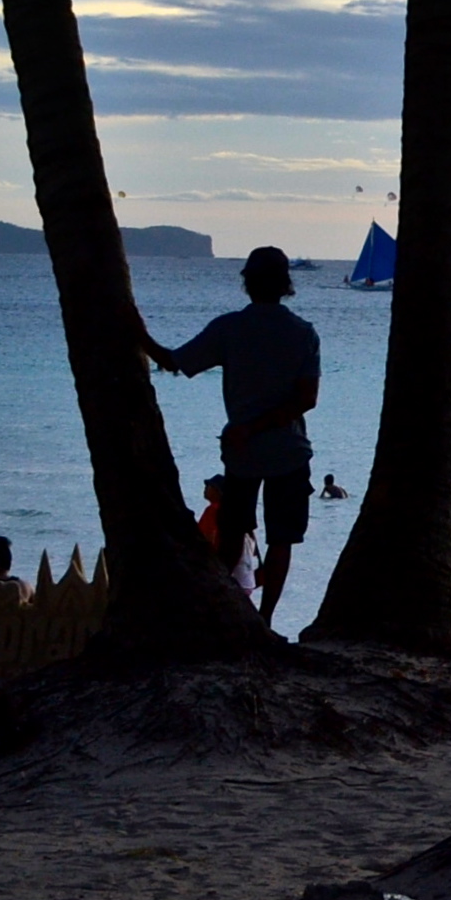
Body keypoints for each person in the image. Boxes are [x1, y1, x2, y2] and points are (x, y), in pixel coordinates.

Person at [140, 248, 320, 624]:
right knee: (281, 540)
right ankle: (266, 619)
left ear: (247, 282)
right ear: (286, 285)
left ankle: (231, 616)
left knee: (233, 534)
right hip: (289, 450)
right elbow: (306, 399)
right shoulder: (303, 333)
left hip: (242, 451)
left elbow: (175, 362)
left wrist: (137, 333)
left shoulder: (229, 329)